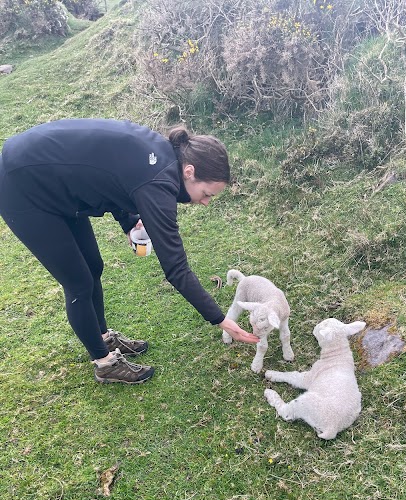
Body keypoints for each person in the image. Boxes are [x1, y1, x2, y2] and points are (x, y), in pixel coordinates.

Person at [0, 118, 258, 383]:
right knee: (78, 281)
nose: (205, 203)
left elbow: (111, 174)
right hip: (23, 184)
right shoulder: (159, 181)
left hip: (50, 174)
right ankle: (104, 363)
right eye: (207, 194)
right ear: (189, 171)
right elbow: (176, 269)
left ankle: (103, 338)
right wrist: (220, 320)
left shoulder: (163, 155)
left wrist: (127, 222)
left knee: (93, 266)